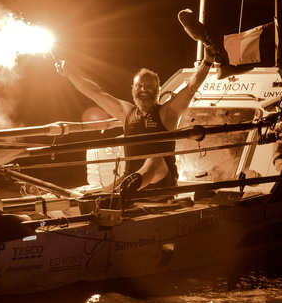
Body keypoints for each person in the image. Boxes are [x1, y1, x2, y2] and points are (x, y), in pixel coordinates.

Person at [56, 45, 213, 196]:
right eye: (139, 86)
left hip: (161, 184)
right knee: (97, 196)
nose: (144, 90)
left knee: (155, 159)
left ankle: (129, 188)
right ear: (133, 89)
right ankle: (121, 191)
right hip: (129, 181)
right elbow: (95, 92)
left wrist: (207, 61)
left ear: (158, 91)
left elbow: (191, 88)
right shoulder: (127, 112)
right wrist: (70, 73)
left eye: (149, 86)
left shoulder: (167, 113)